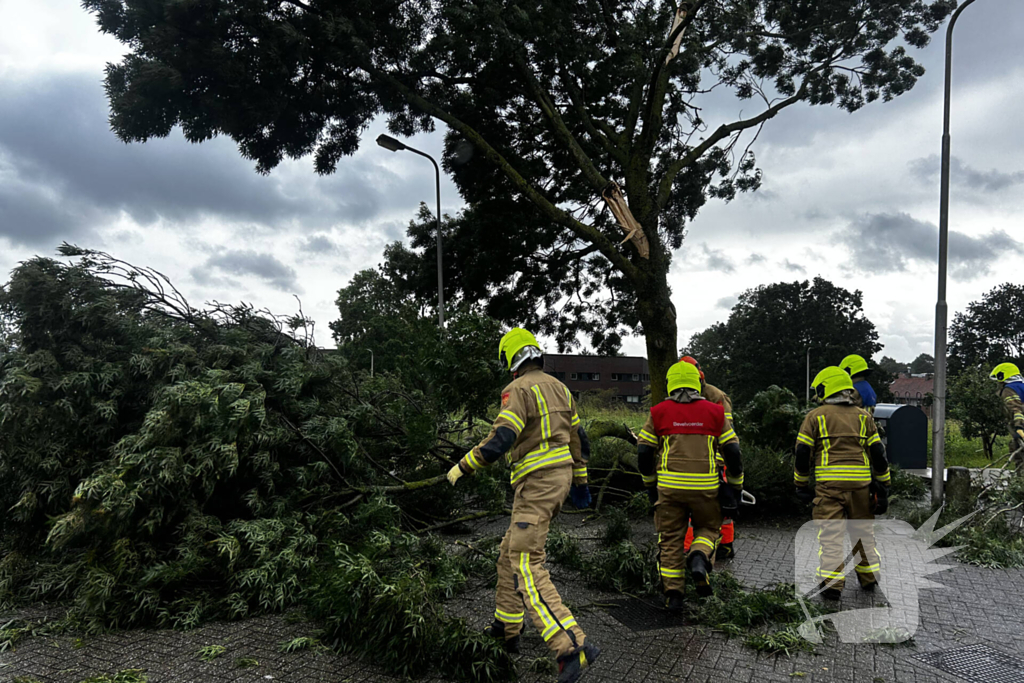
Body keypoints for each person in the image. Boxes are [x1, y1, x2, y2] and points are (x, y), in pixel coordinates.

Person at [447, 328, 599, 683]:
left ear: (510, 361)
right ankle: (507, 627)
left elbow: (502, 438)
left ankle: (571, 646)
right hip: (556, 481)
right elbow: (580, 439)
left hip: (537, 483)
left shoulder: (517, 389)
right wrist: (580, 482)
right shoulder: (560, 387)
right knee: (508, 554)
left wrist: (463, 465)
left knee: (527, 564)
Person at [637, 361, 744, 613]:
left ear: (670, 384)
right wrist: (736, 487)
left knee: (671, 539)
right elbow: (733, 451)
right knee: (708, 529)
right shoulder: (715, 412)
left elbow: (643, 453)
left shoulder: (658, 412)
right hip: (706, 488)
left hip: (669, 489)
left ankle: (673, 595)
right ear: (698, 383)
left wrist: (650, 485)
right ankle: (699, 556)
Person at [794, 366, 891, 600]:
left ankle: (833, 587)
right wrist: (884, 484)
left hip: (829, 488)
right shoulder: (863, 416)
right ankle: (869, 578)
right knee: (862, 533)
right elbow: (878, 452)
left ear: (826, 388)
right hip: (861, 486)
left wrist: (801, 484)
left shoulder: (815, 416)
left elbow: (802, 452)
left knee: (831, 537)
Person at [678, 356, 740, 560]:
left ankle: (721, 545)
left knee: (720, 505)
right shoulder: (681, 395)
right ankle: (705, 546)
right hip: (694, 457)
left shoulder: (715, 396)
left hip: (714, 459)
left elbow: (727, 433)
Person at [989, 362, 1024, 453]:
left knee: (1018, 453)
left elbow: (1016, 408)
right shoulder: (1021, 386)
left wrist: (1019, 428)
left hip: (1021, 427)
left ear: (1002, 377)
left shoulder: (1009, 390)